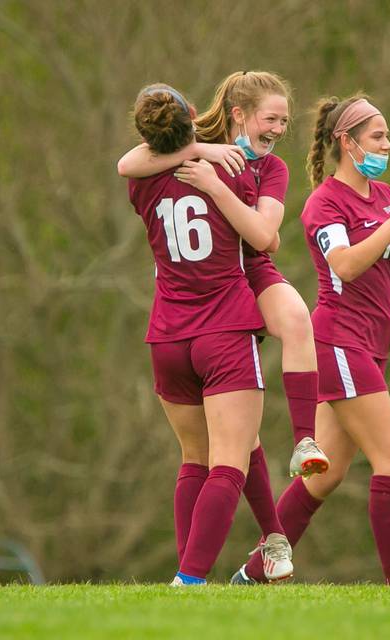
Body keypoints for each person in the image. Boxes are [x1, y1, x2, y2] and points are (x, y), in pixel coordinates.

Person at [232, 95, 390, 585]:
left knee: (323, 476)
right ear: (346, 142)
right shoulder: (324, 202)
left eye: (387, 136)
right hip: (339, 342)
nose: (387, 145)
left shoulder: (385, 195)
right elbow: (344, 265)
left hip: (370, 345)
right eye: (378, 137)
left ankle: (253, 574)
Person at [118, 71, 330, 481]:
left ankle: (305, 441)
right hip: (211, 280)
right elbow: (128, 163)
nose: (279, 130)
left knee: (298, 319)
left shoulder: (272, 168)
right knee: (234, 445)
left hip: (250, 269)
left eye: (284, 122)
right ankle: (271, 536)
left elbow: (265, 237)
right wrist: (197, 150)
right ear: (239, 114)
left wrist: (216, 187)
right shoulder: (199, 142)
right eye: (271, 119)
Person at [125, 82, 293, 584]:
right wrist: (210, 156)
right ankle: (190, 581)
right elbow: (263, 238)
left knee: (194, 459)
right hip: (223, 329)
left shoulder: (140, 182)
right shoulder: (229, 170)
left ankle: (192, 572)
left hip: (167, 338)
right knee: (229, 463)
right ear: (194, 119)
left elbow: (130, 162)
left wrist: (187, 145)